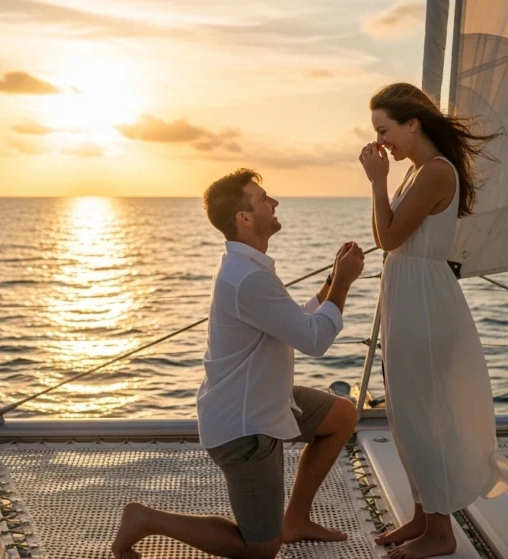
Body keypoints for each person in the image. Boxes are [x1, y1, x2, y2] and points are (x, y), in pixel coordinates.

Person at [111, 168, 365, 559]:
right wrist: (345, 283)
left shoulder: (249, 270)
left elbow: (292, 324)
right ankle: (145, 519)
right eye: (264, 198)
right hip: (245, 428)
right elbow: (315, 340)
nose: (274, 202)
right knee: (261, 549)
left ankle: (295, 520)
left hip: (267, 400)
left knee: (341, 416)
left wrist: (332, 281)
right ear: (244, 218)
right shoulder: (248, 278)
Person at [359, 83, 508, 559]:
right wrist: (383, 182)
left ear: (413, 123)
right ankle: (422, 516)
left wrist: (375, 180)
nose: (380, 140)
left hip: (423, 302)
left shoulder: (434, 173)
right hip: (409, 296)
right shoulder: (416, 173)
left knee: (424, 416)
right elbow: (385, 231)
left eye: (384, 129)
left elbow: (387, 238)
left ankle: (441, 533)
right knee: (407, 414)